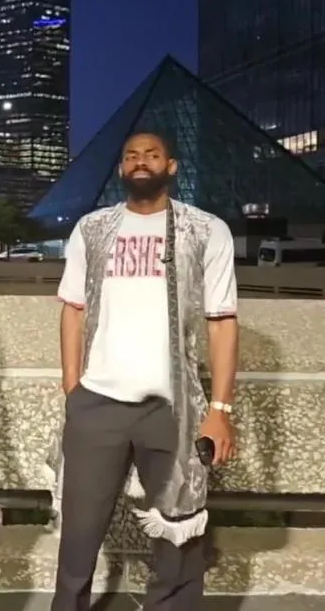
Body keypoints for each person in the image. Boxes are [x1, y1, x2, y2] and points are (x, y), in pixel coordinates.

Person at [46, 132, 240, 611]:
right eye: (131, 155)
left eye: (152, 155)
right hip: (98, 402)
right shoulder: (92, 228)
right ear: (120, 168)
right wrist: (73, 389)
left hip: (173, 407)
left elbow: (222, 321)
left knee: (178, 530)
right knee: (79, 531)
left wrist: (219, 409)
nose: (140, 161)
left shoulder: (205, 230)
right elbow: (73, 309)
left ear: (171, 166)